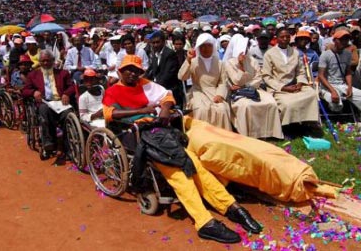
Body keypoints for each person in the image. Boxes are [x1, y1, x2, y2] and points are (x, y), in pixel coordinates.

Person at [103, 54, 262, 243]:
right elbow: (110, 114)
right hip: (135, 135)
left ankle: (232, 208)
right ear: (120, 71)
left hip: (158, 132)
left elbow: (167, 95)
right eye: (128, 70)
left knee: (196, 165)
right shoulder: (113, 91)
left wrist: (164, 109)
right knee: (179, 175)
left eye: (136, 71)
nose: (132, 73)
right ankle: (204, 222)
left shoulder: (145, 84)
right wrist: (141, 111)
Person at [318, 31, 361, 140]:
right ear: (335, 40)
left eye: (346, 39)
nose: (344, 42)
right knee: (337, 104)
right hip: (327, 86)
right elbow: (321, 76)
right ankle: (339, 108)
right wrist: (332, 91)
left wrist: (349, 86)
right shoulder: (325, 55)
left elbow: (348, 72)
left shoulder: (347, 54)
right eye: (341, 39)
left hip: (342, 85)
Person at [224, 35, 283, 139]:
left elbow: (258, 78)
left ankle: (269, 132)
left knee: (270, 102)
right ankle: (250, 134)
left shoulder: (252, 60)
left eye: (247, 47)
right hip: (238, 94)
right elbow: (236, 81)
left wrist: (246, 85)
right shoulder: (229, 63)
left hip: (254, 90)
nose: (245, 49)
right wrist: (241, 66)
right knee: (246, 106)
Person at [22, 49, 75, 160]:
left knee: (68, 114)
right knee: (44, 110)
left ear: (53, 60)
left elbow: (71, 86)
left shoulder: (63, 73)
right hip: (45, 102)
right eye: (43, 61)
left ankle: (67, 146)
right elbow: (25, 90)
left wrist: (66, 94)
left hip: (60, 102)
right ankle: (48, 142)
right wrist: (34, 92)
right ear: (39, 62)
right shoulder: (33, 75)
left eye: (48, 60)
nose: (45, 63)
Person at [261, 28, 320, 128]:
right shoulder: (269, 54)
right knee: (287, 103)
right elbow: (267, 76)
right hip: (279, 87)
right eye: (282, 37)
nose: (285, 39)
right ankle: (288, 127)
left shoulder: (295, 52)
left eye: (287, 37)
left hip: (295, 85)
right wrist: (283, 87)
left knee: (312, 94)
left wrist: (300, 83)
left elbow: (300, 72)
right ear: (277, 38)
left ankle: (308, 123)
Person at [178, 33, 232, 130]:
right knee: (201, 110)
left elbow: (222, 82)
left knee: (222, 109)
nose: (205, 49)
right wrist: (188, 61)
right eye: (202, 46)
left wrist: (220, 95)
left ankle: (221, 136)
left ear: (213, 47)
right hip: (198, 92)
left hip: (215, 92)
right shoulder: (193, 62)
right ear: (198, 48)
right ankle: (201, 136)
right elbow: (182, 77)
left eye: (209, 45)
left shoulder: (220, 63)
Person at [145, 31, 184, 107]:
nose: (155, 45)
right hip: (159, 87)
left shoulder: (170, 54)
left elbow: (167, 75)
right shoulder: (155, 54)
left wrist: (155, 88)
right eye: (153, 43)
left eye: (157, 42)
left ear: (163, 42)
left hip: (169, 89)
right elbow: (150, 71)